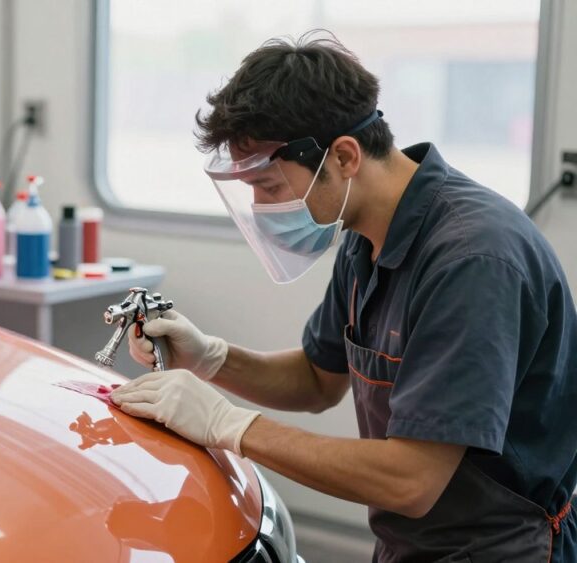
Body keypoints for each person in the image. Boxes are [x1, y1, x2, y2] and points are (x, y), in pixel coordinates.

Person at [111, 31, 577, 562]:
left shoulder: (472, 261)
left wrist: (229, 425)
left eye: (270, 187)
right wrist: (211, 357)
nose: (263, 210)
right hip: (413, 543)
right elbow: (317, 380)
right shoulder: (366, 235)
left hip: (503, 549)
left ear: (345, 156)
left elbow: (412, 481)